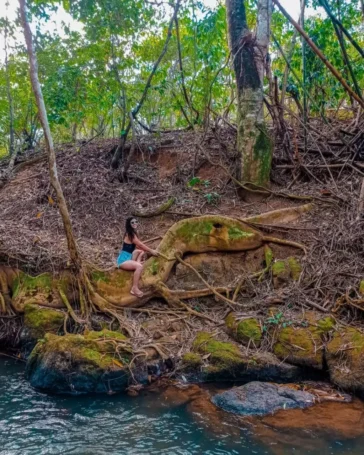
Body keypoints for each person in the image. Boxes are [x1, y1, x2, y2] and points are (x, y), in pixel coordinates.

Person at [116, 217, 158, 298]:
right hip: (123, 260)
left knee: (140, 251)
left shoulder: (132, 233)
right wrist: (151, 251)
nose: (135, 223)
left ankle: (136, 262)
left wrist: (148, 251)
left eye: (136, 221)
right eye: (132, 222)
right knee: (139, 267)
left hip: (130, 257)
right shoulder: (130, 234)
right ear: (129, 224)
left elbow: (139, 247)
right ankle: (134, 288)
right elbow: (140, 244)